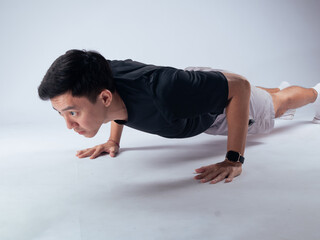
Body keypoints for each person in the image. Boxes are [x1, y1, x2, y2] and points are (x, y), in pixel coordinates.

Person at [38, 49, 320, 184]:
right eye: (61, 114)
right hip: (193, 88)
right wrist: (113, 141)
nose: (69, 125)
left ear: (104, 98)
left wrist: (234, 159)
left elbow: (240, 87)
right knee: (260, 95)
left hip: (219, 108)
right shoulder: (103, 78)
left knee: (277, 105)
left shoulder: (165, 93)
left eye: (72, 112)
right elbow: (115, 103)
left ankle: (315, 92)